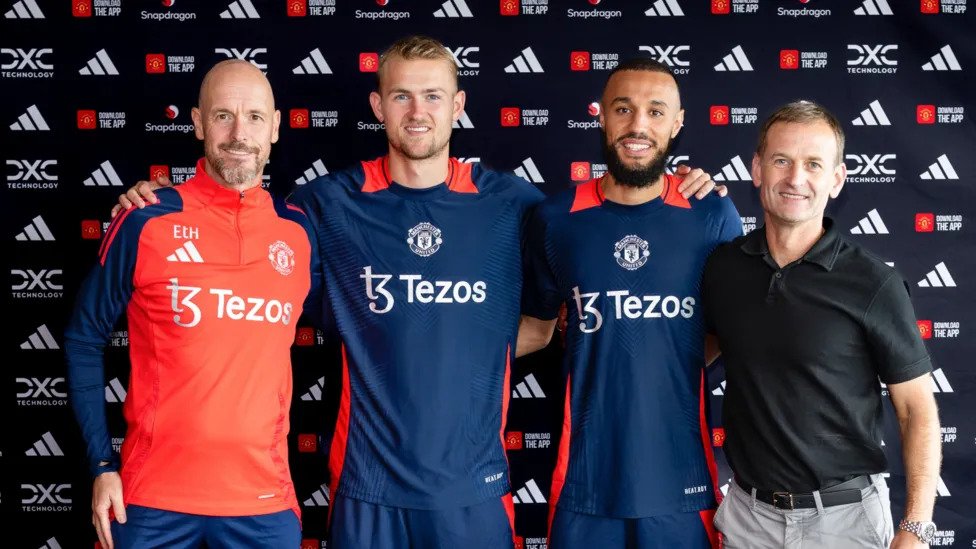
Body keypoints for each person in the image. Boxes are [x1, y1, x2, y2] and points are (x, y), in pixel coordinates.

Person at [114, 36, 720, 548]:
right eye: (401, 96)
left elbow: (576, 286)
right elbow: (237, 229)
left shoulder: (517, 206)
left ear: (457, 106)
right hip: (366, 489)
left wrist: (685, 189)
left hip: (473, 490)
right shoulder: (325, 206)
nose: (417, 112)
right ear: (378, 106)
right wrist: (154, 202)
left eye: (432, 96)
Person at [65, 60, 319, 549]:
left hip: (264, 501)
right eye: (223, 116)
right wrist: (101, 463)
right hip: (149, 499)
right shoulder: (146, 218)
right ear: (199, 123)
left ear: (275, 128)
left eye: (254, 117)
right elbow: (83, 337)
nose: (239, 133)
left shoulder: (299, 231)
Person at [517, 58, 741, 549]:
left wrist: (665, 356)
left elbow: (731, 331)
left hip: (682, 480)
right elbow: (536, 328)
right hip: (585, 481)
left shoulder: (712, 214)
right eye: (623, 109)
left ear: (677, 124)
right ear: (602, 117)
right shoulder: (557, 218)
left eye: (656, 112)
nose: (638, 125)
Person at [701, 101, 941, 549]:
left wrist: (916, 528)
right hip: (747, 520)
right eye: (781, 160)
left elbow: (916, 409)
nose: (796, 178)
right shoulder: (723, 269)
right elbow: (689, 353)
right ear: (756, 169)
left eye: (813, 164)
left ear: (836, 178)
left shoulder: (873, 282)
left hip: (845, 523)